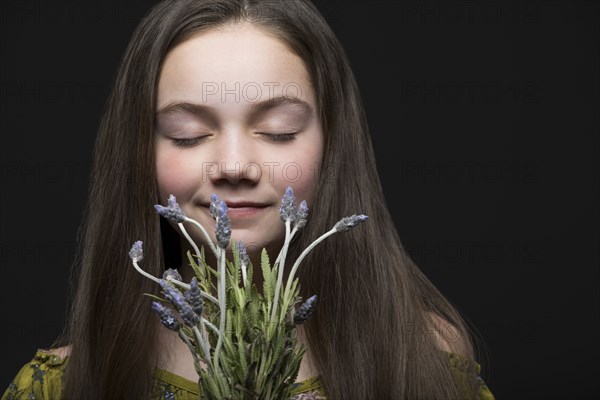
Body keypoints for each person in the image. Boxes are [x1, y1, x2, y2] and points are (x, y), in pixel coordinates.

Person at [2, 1, 495, 399]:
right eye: (188, 134)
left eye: (278, 132)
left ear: (331, 145)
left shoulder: (423, 363)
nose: (234, 165)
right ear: (139, 152)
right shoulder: (62, 387)